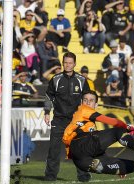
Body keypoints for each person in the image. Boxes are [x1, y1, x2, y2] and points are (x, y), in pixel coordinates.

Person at [63, 91, 134, 177]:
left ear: (96, 105)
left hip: (81, 161)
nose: (87, 103)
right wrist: (126, 127)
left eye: (91, 100)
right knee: (118, 130)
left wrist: (117, 168)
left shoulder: (87, 123)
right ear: (81, 103)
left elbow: (96, 148)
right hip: (79, 143)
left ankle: (100, 165)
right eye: (85, 100)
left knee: (131, 166)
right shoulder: (83, 109)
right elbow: (111, 121)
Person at [44, 52, 90, 182]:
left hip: (76, 121)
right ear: (62, 63)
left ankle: (83, 176)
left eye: (70, 63)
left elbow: (87, 99)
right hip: (58, 120)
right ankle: (50, 177)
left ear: (75, 64)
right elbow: (48, 96)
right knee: (54, 150)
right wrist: (47, 112)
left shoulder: (81, 80)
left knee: (80, 149)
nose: (68, 65)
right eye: (65, 63)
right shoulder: (56, 79)